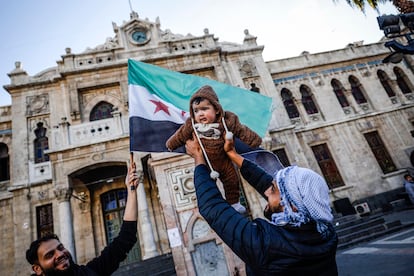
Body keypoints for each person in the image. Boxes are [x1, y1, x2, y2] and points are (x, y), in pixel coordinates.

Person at [185, 135, 338, 275]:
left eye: (273, 189)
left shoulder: (267, 246)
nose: (267, 193)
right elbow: (268, 185)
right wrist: (233, 155)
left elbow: (212, 207)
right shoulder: (325, 234)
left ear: (293, 206)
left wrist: (199, 158)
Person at [25, 161, 140, 276]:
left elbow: (125, 238)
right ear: (37, 269)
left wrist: (131, 190)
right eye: (50, 255)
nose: (60, 254)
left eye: (60, 248)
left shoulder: (88, 272)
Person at [166, 85, 262, 213]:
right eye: (196, 111)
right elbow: (180, 135)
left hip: (224, 161)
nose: (200, 114)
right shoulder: (192, 125)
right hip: (205, 163)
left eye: (204, 109)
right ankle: (215, 210)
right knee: (206, 187)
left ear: (216, 109)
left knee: (232, 181)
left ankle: (234, 203)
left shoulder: (227, 121)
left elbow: (241, 130)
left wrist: (254, 140)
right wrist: (171, 144)